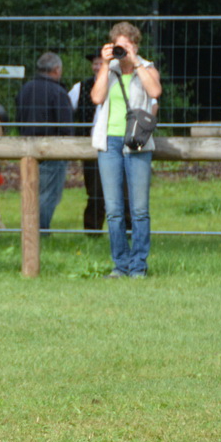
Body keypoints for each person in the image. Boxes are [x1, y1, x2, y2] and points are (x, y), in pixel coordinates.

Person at [90, 22, 163, 278]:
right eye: (118, 46)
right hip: (109, 142)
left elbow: (155, 91)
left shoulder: (147, 68)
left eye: (127, 45)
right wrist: (104, 64)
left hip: (137, 142)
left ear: (135, 45)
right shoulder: (109, 69)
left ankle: (138, 265)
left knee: (139, 209)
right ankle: (120, 264)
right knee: (113, 209)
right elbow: (97, 98)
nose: (122, 50)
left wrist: (136, 62)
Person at [15, 51, 77, 230]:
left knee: (31, 192)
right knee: (48, 193)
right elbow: (65, 125)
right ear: (56, 69)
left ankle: (29, 229)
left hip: (26, 146)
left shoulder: (26, 88)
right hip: (52, 150)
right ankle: (40, 231)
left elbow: (18, 118)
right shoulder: (58, 92)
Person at [67, 51, 107, 231]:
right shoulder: (81, 87)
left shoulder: (118, 84)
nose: (97, 67)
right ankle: (93, 230)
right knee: (95, 191)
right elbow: (66, 109)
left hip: (115, 142)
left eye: (101, 63)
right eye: (95, 64)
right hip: (90, 146)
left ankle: (127, 231)